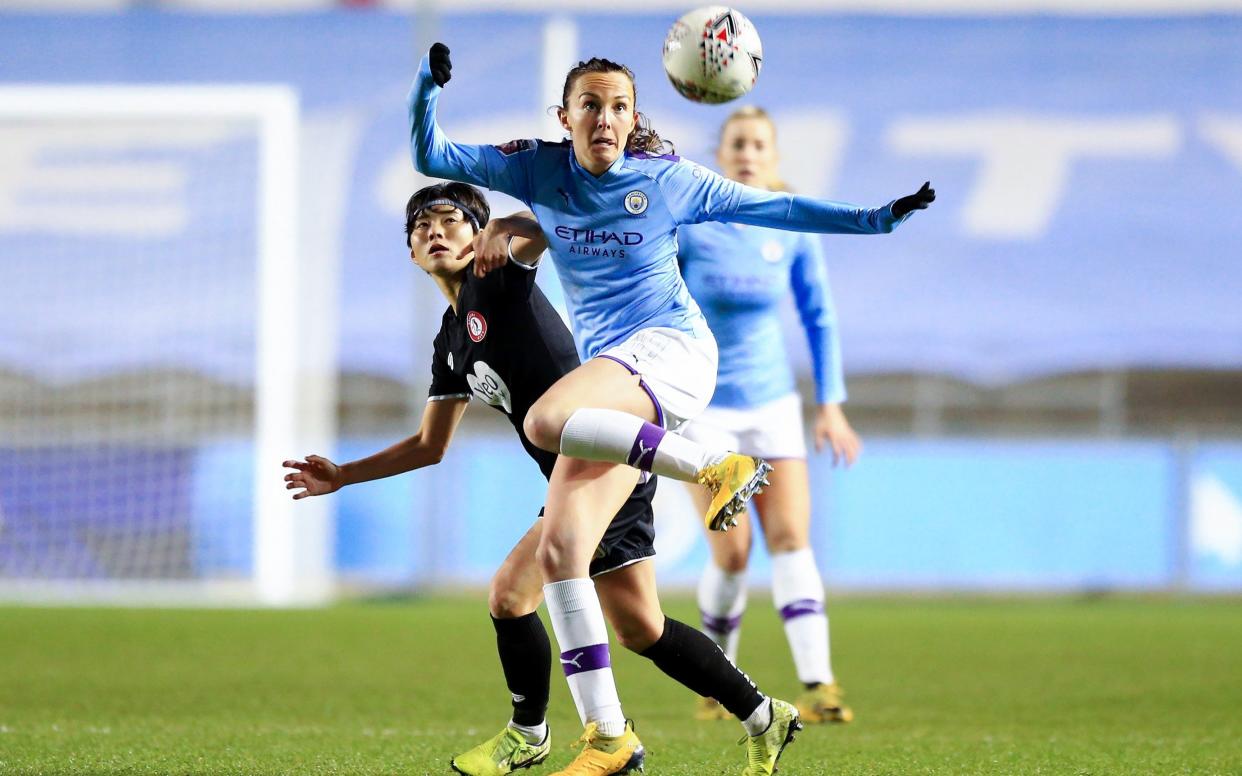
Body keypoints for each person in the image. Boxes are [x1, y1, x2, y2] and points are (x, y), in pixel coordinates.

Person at [410, 41, 933, 775]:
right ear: (565, 116)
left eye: (620, 105)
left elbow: (776, 206)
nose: (606, 117)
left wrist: (876, 219)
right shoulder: (536, 169)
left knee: (542, 422)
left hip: (674, 352)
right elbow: (430, 151)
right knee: (589, 582)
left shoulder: (667, 182)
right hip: (614, 381)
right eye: (590, 104)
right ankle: (718, 723)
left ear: (632, 118)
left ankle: (714, 465)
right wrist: (428, 87)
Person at [284, 182, 801, 776]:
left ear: (477, 237)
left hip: (606, 461)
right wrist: (344, 475)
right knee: (641, 627)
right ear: (410, 252)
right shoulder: (451, 343)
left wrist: (510, 225)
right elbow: (431, 445)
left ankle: (578, 736)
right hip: (576, 471)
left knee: (514, 591)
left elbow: (558, 214)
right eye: (421, 227)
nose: (435, 231)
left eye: (452, 220)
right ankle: (765, 716)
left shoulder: (496, 277)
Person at [678, 106, 861, 725]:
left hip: (774, 406)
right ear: (721, 154)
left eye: (759, 144)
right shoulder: (691, 225)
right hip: (702, 413)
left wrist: (830, 406)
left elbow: (820, 317)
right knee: (732, 554)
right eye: (737, 144)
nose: (748, 154)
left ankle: (821, 683)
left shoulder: (790, 226)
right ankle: (717, 683)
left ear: (774, 155)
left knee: (789, 540)